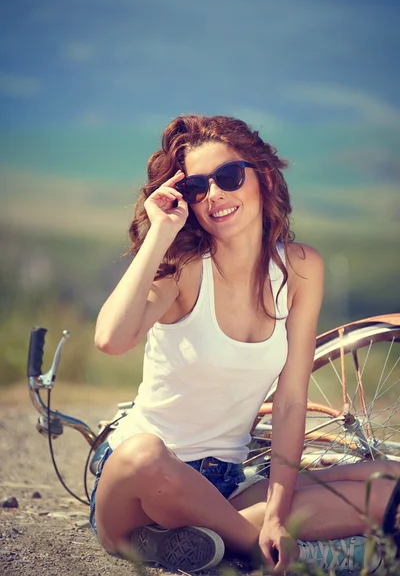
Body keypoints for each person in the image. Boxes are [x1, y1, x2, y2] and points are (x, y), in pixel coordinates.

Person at [92, 114, 400, 574]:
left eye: (229, 177)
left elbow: (292, 401)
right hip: (141, 484)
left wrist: (278, 512)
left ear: (264, 178)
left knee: (389, 483)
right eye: (198, 187)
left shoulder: (300, 269)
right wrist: (159, 232)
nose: (214, 195)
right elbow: (110, 340)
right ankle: (254, 545)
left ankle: (197, 539)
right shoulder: (183, 269)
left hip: (227, 486)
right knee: (146, 453)